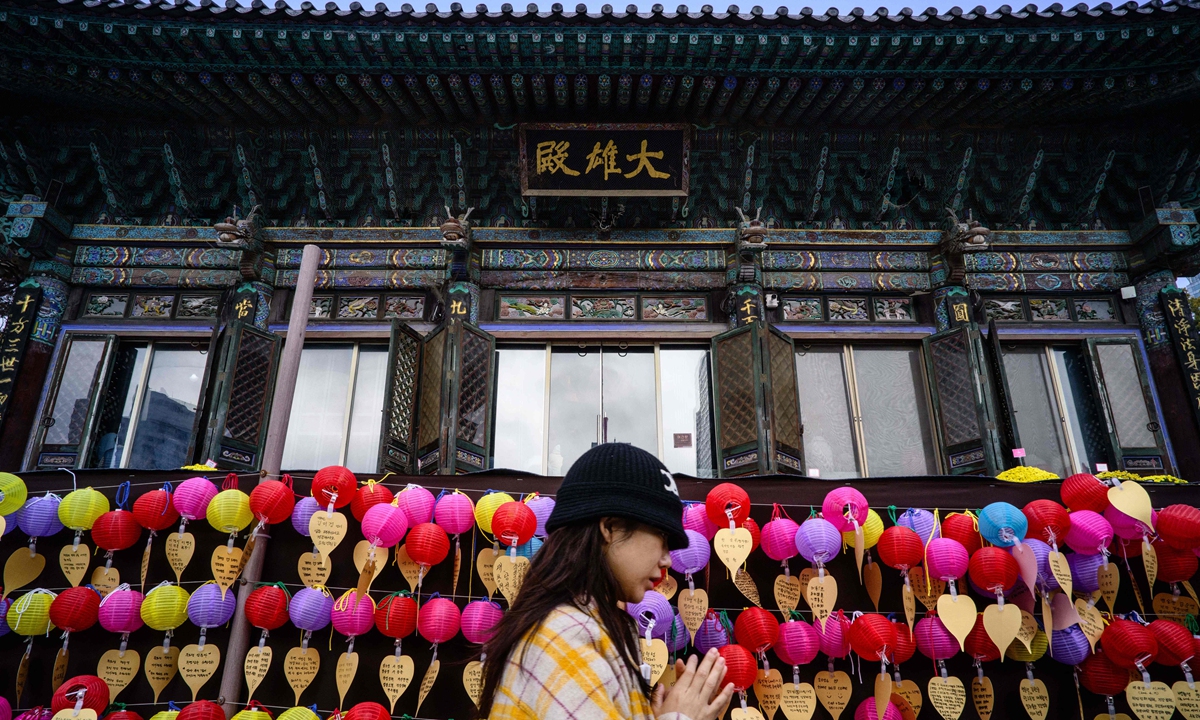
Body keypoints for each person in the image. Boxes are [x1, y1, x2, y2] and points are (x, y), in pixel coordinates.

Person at [479, 443, 736, 720]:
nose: (667, 561)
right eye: (662, 537)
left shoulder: (589, 626)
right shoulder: (566, 635)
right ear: (610, 527)